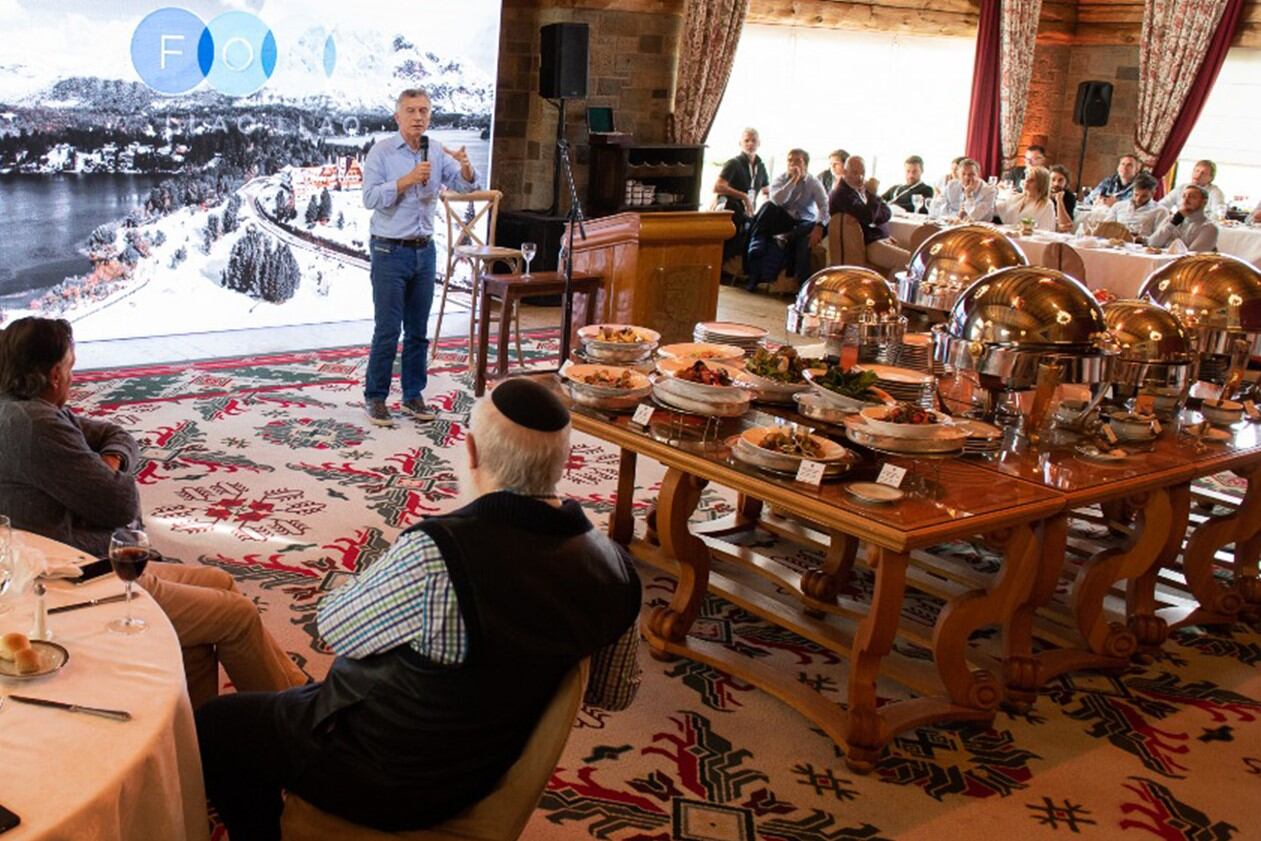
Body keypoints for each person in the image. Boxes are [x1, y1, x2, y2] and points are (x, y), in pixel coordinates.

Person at [196, 377, 642, 841]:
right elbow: (613, 694)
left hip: (388, 776)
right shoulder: (616, 570)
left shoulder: (441, 554)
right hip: (484, 769)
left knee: (217, 726)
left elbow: (333, 629)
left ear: (470, 452)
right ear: (562, 462)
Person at [0, 317, 305, 708]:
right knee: (238, 614)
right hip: (82, 574)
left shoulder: (25, 409)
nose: (74, 378)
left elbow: (118, 436)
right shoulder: (36, 425)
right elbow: (119, 503)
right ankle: (298, 723)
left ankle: (203, 736)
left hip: (73, 562)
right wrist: (106, 476)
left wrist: (107, 463)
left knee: (218, 585)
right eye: (72, 368)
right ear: (54, 374)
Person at [361, 87, 481, 428]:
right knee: (387, 329)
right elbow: (369, 198)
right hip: (388, 250)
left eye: (424, 111)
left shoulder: (437, 150)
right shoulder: (381, 153)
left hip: (423, 251)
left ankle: (413, 395)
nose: (418, 117)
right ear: (397, 116)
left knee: (418, 331)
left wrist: (467, 168)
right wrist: (406, 181)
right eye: (411, 111)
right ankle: (376, 397)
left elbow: (464, 188)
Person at [746, 148, 829, 290]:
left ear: (806, 165)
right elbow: (776, 201)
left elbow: (824, 207)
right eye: (790, 160)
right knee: (767, 207)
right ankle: (754, 273)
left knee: (805, 241)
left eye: (798, 161)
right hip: (782, 221)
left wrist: (819, 226)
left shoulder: (813, 183)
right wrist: (793, 181)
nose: (793, 164)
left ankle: (803, 288)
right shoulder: (781, 179)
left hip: (803, 222)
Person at [830, 156, 911, 275]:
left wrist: (873, 202)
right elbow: (867, 217)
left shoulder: (862, 189)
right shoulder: (841, 194)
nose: (860, 177)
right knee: (910, 262)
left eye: (863, 173)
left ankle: (890, 288)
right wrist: (873, 195)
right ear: (845, 172)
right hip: (866, 245)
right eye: (855, 173)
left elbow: (887, 213)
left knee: (913, 255)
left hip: (879, 239)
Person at [713, 128, 770, 277]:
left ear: (759, 143)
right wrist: (743, 196)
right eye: (747, 140)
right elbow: (718, 186)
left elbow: (766, 190)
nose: (750, 144)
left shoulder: (761, 166)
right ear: (740, 143)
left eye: (753, 141)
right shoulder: (734, 163)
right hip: (732, 208)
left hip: (748, 210)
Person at [1148, 184, 1219, 252]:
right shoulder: (1171, 219)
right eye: (1184, 196)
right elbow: (1152, 244)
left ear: (1204, 202)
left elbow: (1191, 256)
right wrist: (1173, 223)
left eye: (1192, 197)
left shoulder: (1209, 227)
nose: (1186, 199)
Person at [996, 167, 1063, 231]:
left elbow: (1046, 230)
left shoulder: (1047, 204)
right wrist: (995, 190)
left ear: (1041, 184)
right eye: (1026, 178)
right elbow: (995, 209)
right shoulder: (1017, 198)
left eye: (1031, 180)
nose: (1026, 181)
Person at [1105, 172, 1168, 238]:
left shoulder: (1160, 211)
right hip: (1115, 243)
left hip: (1142, 246)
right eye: (1136, 194)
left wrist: (1142, 239)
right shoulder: (1118, 206)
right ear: (1132, 191)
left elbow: (1159, 238)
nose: (1138, 199)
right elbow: (1105, 228)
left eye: (1144, 196)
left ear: (1153, 194)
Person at [1158, 159, 1226, 214]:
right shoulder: (1181, 188)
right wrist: (1168, 214)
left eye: (1203, 173)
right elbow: (1162, 205)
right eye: (1197, 171)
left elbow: (1218, 213)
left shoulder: (1215, 192)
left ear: (1211, 178)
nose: (1198, 175)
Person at [943, 158, 997, 223]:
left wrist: (969, 195)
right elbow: (939, 210)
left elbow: (975, 216)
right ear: (958, 175)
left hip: (980, 229)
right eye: (963, 174)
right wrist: (956, 215)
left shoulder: (989, 191)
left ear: (978, 174)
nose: (967, 177)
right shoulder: (951, 186)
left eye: (971, 174)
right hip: (953, 226)